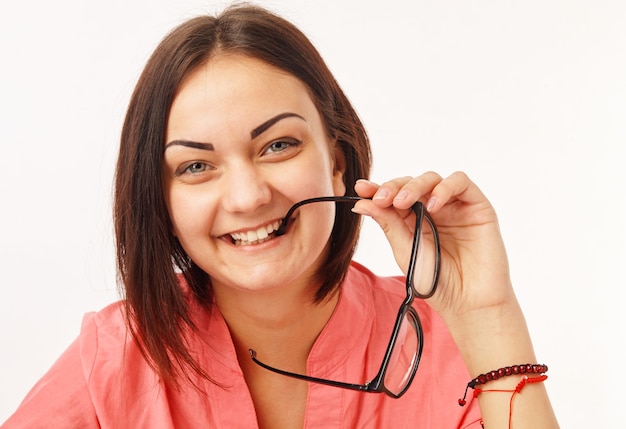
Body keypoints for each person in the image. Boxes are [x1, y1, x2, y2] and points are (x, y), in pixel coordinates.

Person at [1, 4, 559, 428]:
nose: (246, 197)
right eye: (196, 166)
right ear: (161, 202)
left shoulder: (449, 339)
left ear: (338, 165)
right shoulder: (116, 355)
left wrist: (489, 315)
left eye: (277, 146)